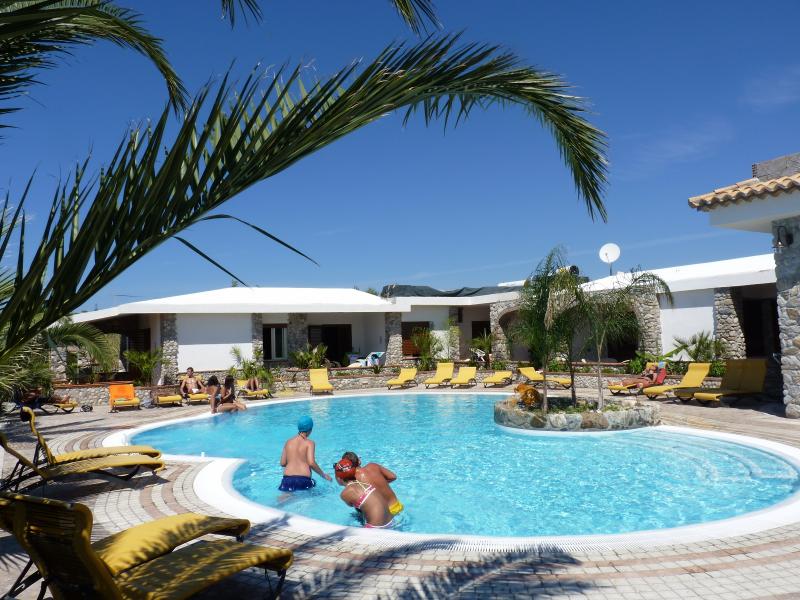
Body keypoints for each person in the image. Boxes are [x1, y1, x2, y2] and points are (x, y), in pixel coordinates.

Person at [334, 458, 394, 528]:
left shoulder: (345, 493)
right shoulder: (363, 484)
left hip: (376, 528)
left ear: (338, 478)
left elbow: (350, 505)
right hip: (391, 521)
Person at [340, 451, 404, 516]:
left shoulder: (353, 479)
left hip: (383, 514)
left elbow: (352, 503)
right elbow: (393, 477)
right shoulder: (373, 465)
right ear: (359, 461)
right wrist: (381, 482)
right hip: (397, 506)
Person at [278, 416, 331, 492]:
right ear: (310, 430)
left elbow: (282, 463)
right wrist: (323, 475)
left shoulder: (288, 442)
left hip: (287, 479)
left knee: (285, 497)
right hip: (303, 480)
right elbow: (311, 463)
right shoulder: (309, 443)